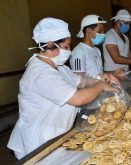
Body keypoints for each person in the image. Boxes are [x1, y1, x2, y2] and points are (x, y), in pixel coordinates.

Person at [7, 18, 119, 159]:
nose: (69, 51)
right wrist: (101, 86)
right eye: (66, 47)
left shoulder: (59, 67)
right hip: (38, 143)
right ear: (50, 45)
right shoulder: (40, 73)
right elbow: (78, 98)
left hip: (55, 136)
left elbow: (81, 81)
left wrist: (101, 77)